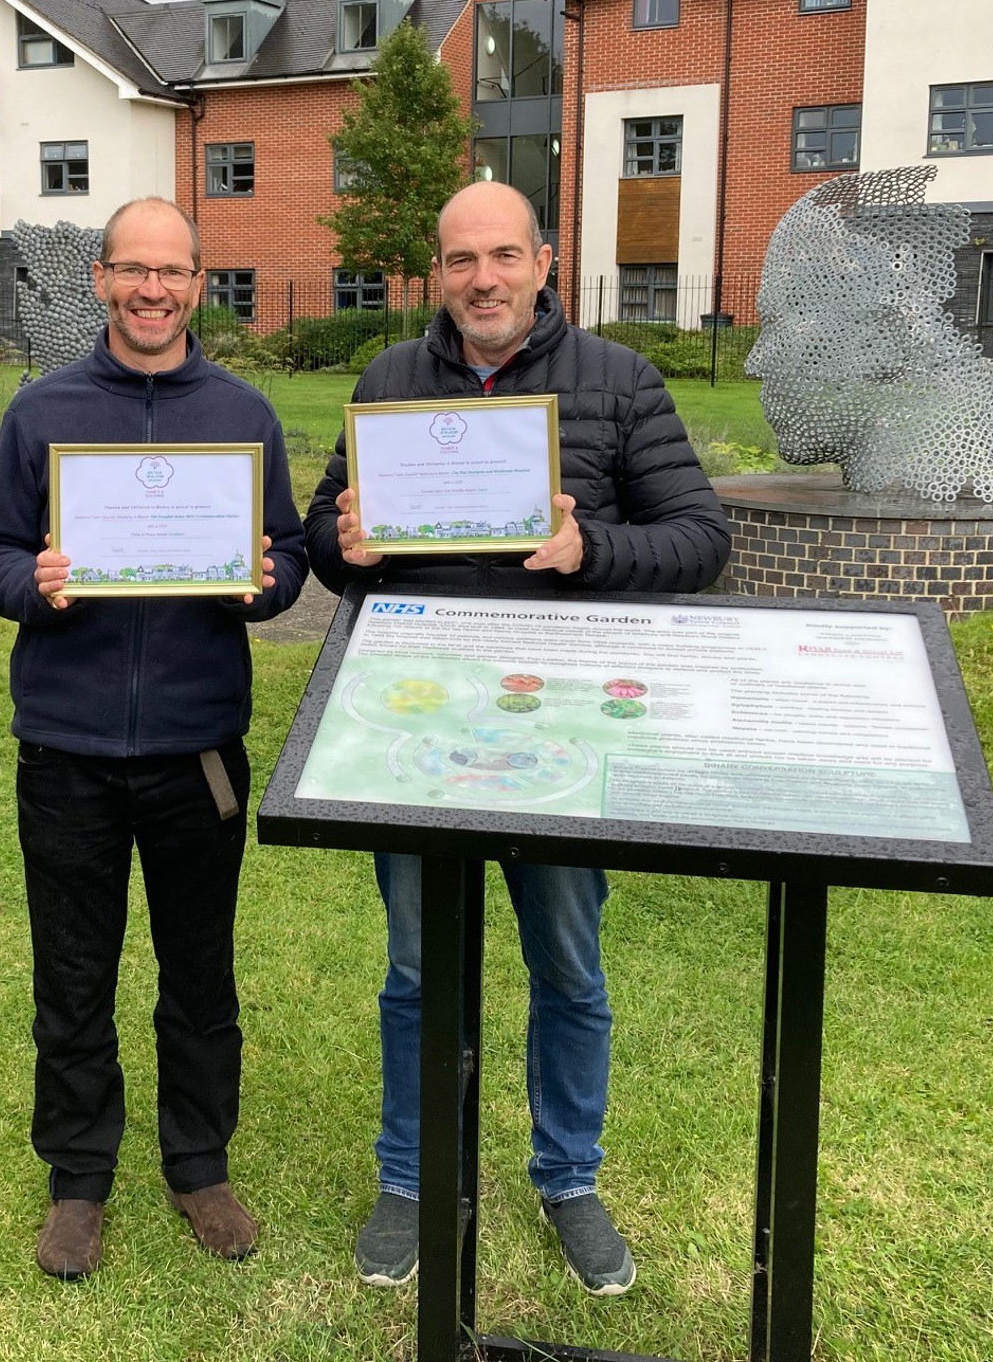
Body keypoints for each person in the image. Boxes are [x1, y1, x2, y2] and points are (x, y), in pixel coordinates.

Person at [306, 180, 731, 1295]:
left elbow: (698, 540)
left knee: (568, 966)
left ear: (545, 260)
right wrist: (344, 543)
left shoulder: (618, 381)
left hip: (559, 732)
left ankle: (568, 1176)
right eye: (459, 261)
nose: (481, 280)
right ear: (434, 274)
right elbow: (323, 529)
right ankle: (410, 1174)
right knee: (413, 969)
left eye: (502, 255)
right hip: (416, 733)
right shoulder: (391, 380)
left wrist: (588, 549)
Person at [0, 196, 307, 1281]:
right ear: (102, 279)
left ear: (200, 285)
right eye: (132, 270)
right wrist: (34, 582)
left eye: (174, 271)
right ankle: (77, 1179)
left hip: (196, 748)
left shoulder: (243, 413)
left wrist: (263, 584)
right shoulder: (43, 409)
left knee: (198, 972)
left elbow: (289, 554)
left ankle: (198, 1163)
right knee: (72, 973)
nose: (152, 289)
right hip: (66, 749)